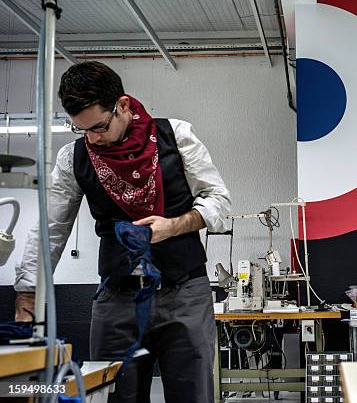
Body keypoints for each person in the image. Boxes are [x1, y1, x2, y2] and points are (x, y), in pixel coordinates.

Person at [13, 61, 231, 402]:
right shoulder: (74, 157)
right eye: (81, 129)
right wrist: (28, 291)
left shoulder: (177, 135)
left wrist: (175, 225)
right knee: (113, 395)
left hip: (184, 292)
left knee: (192, 394)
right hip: (117, 299)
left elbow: (219, 202)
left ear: (123, 106)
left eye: (99, 126)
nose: (93, 138)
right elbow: (50, 227)